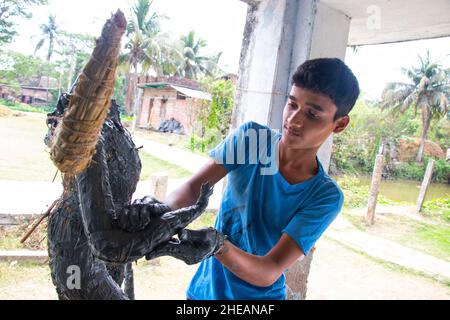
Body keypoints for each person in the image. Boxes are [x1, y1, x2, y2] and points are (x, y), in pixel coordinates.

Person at [159, 58, 360, 300]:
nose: (294, 119)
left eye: (312, 114)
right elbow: (194, 188)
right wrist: (162, 212)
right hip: (203, 293)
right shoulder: (251, 139)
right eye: (292, 104)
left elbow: (269, 270)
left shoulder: (324, 196)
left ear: (340, 124)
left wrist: (218, 246)